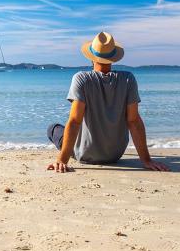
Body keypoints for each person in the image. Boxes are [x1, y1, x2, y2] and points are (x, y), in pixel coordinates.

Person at [47, 31, 170, 173]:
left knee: (53, 128)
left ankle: (65, 151)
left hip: (85, 154)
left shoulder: (81, 78)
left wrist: (62, 160)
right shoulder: (128, 79)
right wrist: (146, 160)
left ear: (92, 57)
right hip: (115, 154)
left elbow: (75, 121)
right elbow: (134, 121)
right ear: (113, 58)